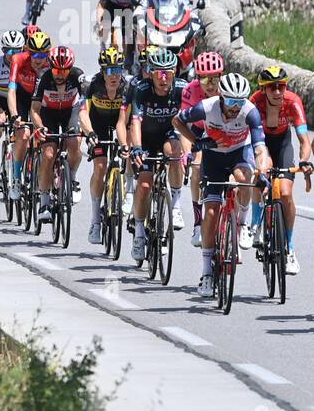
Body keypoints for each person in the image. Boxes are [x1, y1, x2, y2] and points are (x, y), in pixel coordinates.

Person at [173, 72, 267, 299]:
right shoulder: (206, 107)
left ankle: (242, 224)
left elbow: (260, 147)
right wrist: (196, 142)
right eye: (232, 102)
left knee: (244, 179)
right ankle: (206, 272)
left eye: (240, 101)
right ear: (222, 98)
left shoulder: (250, 111)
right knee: (212, 213)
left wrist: (261, 173)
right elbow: (177, 120)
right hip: (213, 157)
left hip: (238, 154)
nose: (236, 107)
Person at [249, 64, 313, 276]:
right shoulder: (254, 103)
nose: (277, 91)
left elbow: (304, 140)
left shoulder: (293, 102)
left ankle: (289, 246)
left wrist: (304, 161)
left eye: (281, 86)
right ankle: (256, 225)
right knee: (261, 176)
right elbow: (249, 137)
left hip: (283, 143)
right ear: (263, 89)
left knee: (285, 193)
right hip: (262, 143)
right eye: (271, 87)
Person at [128, 47, 188, 260]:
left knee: (175, 153)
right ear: (151, 73)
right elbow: (135, 121)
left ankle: (176, 205)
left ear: (174, 72)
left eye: (168, 72)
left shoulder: (182, 89)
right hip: (145, 138)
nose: (163, 78)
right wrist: (136, 147)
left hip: (168, 135)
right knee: (144, 185)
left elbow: (189, 125)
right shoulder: (141, 89)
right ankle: (139, 233)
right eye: (158, 73)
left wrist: (188, 155)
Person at [80, 46, 130, 244]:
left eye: (117, 70)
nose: (114, 76)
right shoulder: (93, 86)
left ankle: (125, 190)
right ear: (102, 72)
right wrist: (90, 133)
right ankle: (95, 220)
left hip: (120, 123)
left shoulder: (127, 88)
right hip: (98, 124)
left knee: (128, 155)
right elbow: (83, 113)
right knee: (100, 166)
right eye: (109, 71)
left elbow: (128, 120)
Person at [30, 45, 85, 223]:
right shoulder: (44, 79)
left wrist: (87, 128)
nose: (60, 74)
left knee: (75, 143)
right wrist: (39, 127)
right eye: (56, 70)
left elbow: (86, 105)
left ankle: (73, 179)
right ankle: (44, 202)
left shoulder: (78, 76)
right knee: (48, 155)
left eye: (64, 70)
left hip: (70, 111)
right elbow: (35, 110)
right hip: (49, 114)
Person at [182, 51, 225, 248]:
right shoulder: (190, 91)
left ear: (221, 76)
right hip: (201, 131)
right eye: (204, 78)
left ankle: (237, 224)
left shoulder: (229, 90)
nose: (209, 83)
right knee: (196, 169)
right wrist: (186, 153)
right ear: (197, 77)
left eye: (214, 78)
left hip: (225, 133)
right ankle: (198, 222)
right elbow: (183, 127)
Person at [6, 30, 53, 202]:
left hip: (43, 100)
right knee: (24, 134)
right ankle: (17, 179)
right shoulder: (18, 60)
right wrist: (14, 115)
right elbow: (11, 91)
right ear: (27, 51)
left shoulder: (51, 64)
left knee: (49, 135)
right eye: (34, 54)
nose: (38, 59)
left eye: (42, 54)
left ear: (48, 54)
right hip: (23, 98)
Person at [0, 29, 27, 178]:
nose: (13, 54)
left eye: (17, 50)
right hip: (0, 97)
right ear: (3, 50)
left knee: (23, 130)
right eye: (9, 50)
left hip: (17, 99)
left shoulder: (25, 64)